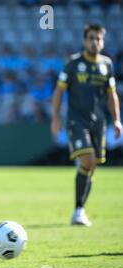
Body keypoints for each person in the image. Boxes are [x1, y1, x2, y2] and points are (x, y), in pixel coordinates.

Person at [51, 24, 121, 226]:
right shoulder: (73, 64)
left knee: (92, 167)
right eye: (91, 38)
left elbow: (111, 95)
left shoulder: (107, 65)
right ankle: (78, 211)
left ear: (103, 42)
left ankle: (80, 209)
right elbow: (59, 91)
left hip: (98, 123)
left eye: (98, 39)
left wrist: (116, 119)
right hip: (76, 121)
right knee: (88, 161)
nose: (95, 42)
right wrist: (55, 117)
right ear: (84, 41)